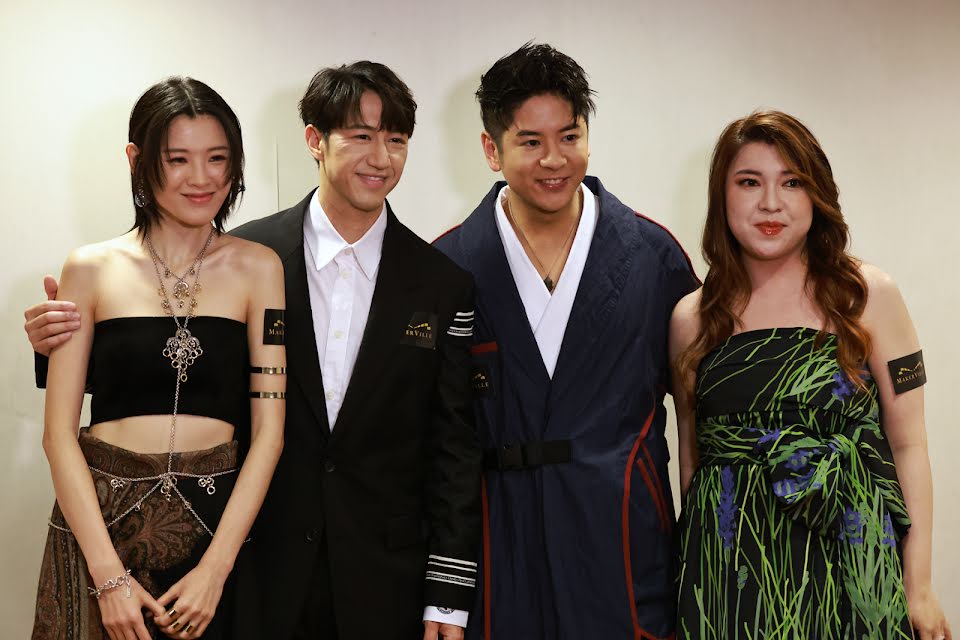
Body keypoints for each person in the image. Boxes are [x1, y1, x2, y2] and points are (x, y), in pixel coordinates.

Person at [27, 62, 481, 640]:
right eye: (361, 135)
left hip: (304, 559)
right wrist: (54, 344)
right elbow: (138, 376)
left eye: (395, 139)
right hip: (212, 552)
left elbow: (453, 445)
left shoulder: (433, 281)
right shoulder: (254, 248)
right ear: (315, 140)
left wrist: (448, 593)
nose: (380, 156)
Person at [433, 43, 699, 639]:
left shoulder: (653, 257)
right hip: (499, 550)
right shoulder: (448, 267)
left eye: (570, 136)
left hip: (622, 544)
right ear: (491, 150)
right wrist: (442, 593)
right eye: (530, 142)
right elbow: (433, 446)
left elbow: (700, 418)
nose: (554, 159)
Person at [669, 110, 952, 639]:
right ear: (721, 195)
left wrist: (919, 586)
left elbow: (909, 444)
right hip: (729, 576)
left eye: (792, 182)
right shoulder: (692, 318)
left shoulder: (868, 295)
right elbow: (694, 459)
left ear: (816, 194)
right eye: (749, 182)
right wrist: (701, 580)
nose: (770, 203)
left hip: (850, 566)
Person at [31, 77, 286, 640]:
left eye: (218, 158)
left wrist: (215, 571)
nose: (202, 178)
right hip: (98, 531)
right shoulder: (89, 268)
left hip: (213, 537)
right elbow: (57, 435)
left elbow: (270, 433)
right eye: (178, 159)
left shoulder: (260, 268)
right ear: (137, 160)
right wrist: (107, 578)